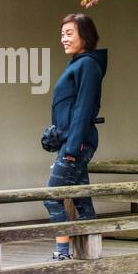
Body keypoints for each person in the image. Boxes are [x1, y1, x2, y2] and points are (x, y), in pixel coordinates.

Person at [45, 13, 107, 261]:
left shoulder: (88, 65)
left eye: (69, 33)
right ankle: (91, 253)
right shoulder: (79, 63)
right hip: (73, 141)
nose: (64, 39)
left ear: (85, 35)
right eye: (62, 34)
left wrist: (71, 150)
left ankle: (62, 254)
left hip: (78, 143)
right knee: (81, 199)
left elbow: (82, 109)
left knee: (51, 196)